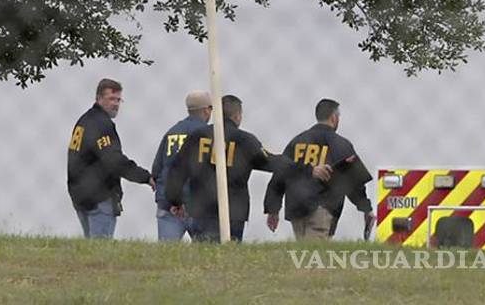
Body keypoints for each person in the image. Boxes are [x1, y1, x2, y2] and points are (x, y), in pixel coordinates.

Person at [164, 95, 331, 242]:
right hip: (234, 211)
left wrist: (175, 200)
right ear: (237, 116)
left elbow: (177, 170)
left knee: (204, 259)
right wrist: (309, 169)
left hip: (201, 208)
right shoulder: (245, 141)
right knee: (231, 259)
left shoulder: (197, 137)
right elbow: (273, 162)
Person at [264, 98, 374, 240]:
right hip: (323, 208)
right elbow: (353, 183)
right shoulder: (340, 144)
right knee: (313, 257)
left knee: (301, 255)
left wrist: (273, 208)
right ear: (334, 117)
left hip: (296, 207)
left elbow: (281, 173)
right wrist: (366, 208)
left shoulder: (297, 141)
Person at [67, 78, 154, 239]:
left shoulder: (84, 121)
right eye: (111, 99)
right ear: (99, 98)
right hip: (100, 195)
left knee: (90, 249)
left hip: (80, 194)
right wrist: (146, 177)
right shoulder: (102, 124)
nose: (115, 104)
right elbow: (114, 161)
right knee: (100, 251)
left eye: (118, 99)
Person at [150, 90, 212, 241]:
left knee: (167, 255)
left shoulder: (172, 133)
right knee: (207, 256)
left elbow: (157, 169)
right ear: (206, 110)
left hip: (168, 203)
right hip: (199, 205)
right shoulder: (208, 135)